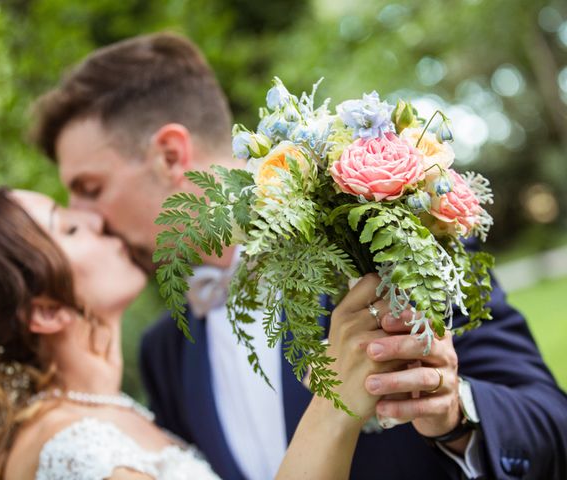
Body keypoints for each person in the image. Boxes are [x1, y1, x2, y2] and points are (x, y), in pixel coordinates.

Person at [31, 32, 567, 479]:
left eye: (90, 187)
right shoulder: (165, 351)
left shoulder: (387, 248)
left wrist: (455, 414)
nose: (89, 217)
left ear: (170, 155)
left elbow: (551, 428)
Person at [0, 187, 396, 479]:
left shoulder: (102, 418)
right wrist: (333, 408)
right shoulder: (74, 450)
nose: (92, 217)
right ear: (47, 311)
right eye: (68, 229)